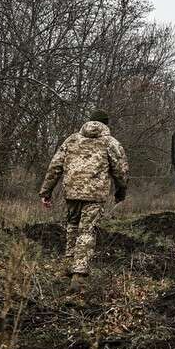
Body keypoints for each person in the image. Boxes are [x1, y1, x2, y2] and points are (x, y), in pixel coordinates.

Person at [38, 109, 129, 293]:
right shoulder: (110, 143)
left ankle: (68, 266)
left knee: (72, 227)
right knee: (86, 231)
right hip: (94, 195)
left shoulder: (71, 139)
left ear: (89, 122)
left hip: (71, 193)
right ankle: (78, 276)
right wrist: (121, 191)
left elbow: (55, 166)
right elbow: (121, 171)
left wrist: (46, 192)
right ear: (106, 124)